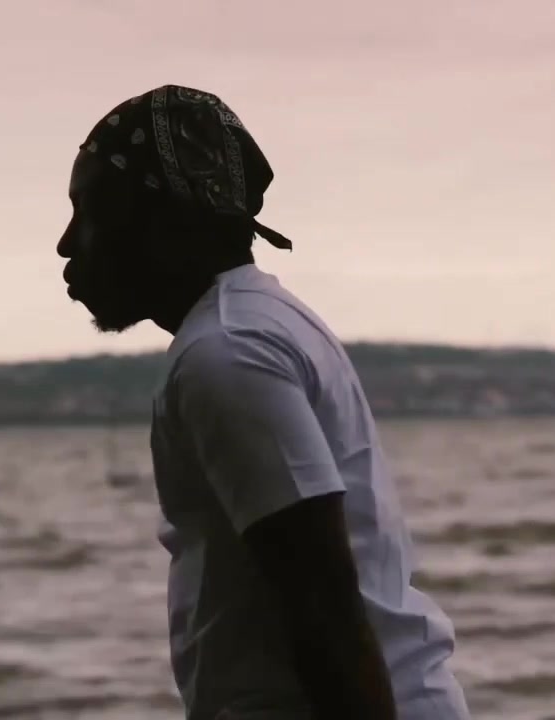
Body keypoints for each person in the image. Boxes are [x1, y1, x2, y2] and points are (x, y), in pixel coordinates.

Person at [56, 84, 471, 720]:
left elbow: (323, 605)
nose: (67, 243)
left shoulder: (227, 353)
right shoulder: (253, 322)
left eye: (90, 212)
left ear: (165, 222)